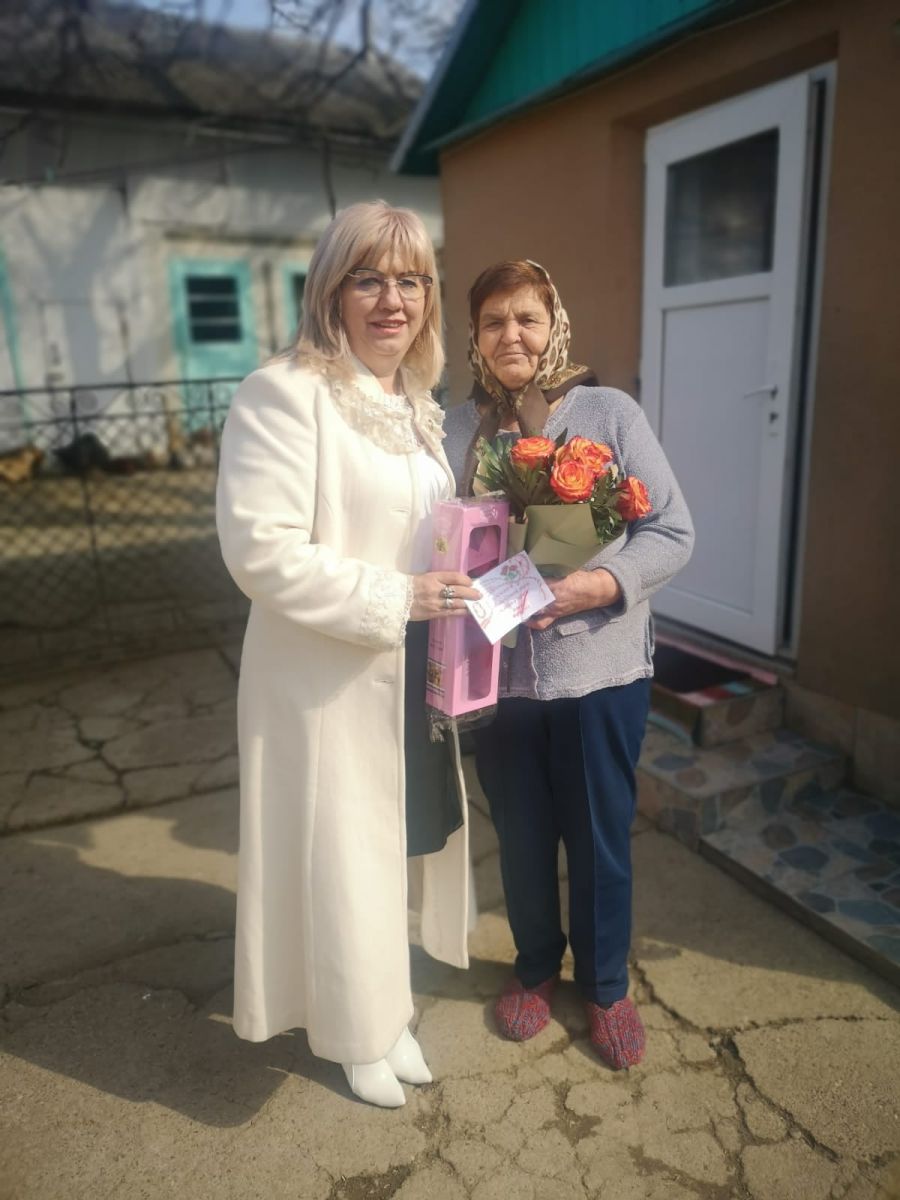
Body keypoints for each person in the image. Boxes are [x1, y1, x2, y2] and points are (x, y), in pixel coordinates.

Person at [216, 201, 480, 1108]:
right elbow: (261, 550)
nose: (392, 300)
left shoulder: (411, 403)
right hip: (326, 675)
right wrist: (398, 598)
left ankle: (386, 1008)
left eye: (411, 280)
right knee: (338, 854)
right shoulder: (284, 393)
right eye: (368, 278)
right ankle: (353, 1031)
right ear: (331, 290)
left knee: (390, 845)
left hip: (407, 668)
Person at [444, 259, 694, 1069]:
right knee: (520, 834)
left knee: (597, 837)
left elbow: (671, 531)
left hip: (601, 672)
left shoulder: (608, 414)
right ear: (474, 337)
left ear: (554, 323)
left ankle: (606, 986)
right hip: (498, 678)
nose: (511, 335)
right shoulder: (456, 429)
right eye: (493, 322)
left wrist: (598, 584)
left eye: (527, 317)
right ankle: (533, 969)